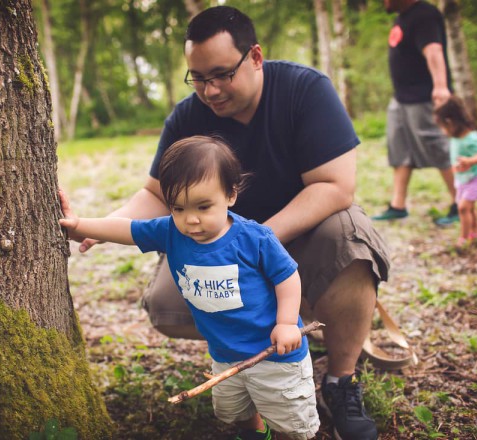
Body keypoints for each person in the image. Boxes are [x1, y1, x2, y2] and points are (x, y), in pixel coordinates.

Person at [64, 6, 389, 439]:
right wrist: (99, 227)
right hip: (221, 243)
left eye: (221, 74)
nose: (210, 90)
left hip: (301, 236)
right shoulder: (186, 116)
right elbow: (155, 194)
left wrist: (254, 241)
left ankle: (340, 377)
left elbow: (335, 186)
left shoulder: (305, 90)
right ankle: (272, 336)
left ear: (255, 56)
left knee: (350, 237)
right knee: (165, 307)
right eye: (198, 78)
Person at [60, 136, 320, 440]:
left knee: (290, 417)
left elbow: (287, 276)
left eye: (203, 206)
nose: (191, 219)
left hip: (275, 352)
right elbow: (127, 229)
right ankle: (253, 433)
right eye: (178, 208)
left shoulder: (254, 239)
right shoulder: (170, 231)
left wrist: (287, 322)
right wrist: (79, 226)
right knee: (237, 409)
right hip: (225, 352)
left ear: (231, 194)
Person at [372, 0, 459, 226]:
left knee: (437, 147)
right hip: (402, 97)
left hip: (423, 97)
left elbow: (434, 51)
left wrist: (440, 86)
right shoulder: (403, 17)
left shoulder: (425, 15)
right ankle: (398, 205)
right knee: (400, 149)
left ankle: (461, 202)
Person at [434, 97, 477, 246]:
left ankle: (464, 239)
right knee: (470, 209)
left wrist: (469, 161)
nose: (443, 131)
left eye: (444, 126)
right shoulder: (455, 138)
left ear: (451, 122)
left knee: (463, 208)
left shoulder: (471, 137)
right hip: (463, 178)